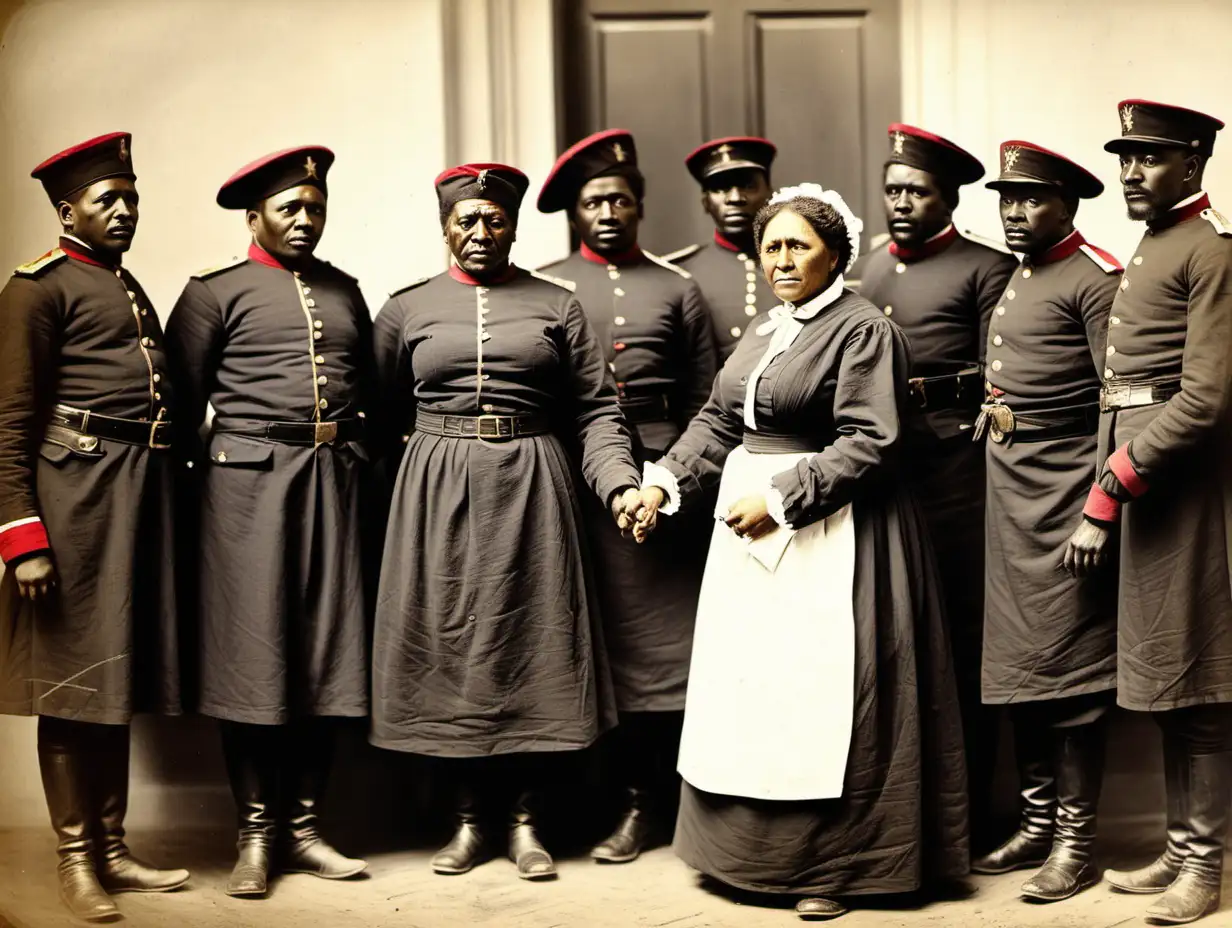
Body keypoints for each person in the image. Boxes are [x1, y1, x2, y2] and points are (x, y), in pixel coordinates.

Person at [636, 183, 968, 921]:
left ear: (837, 255)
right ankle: (744, 857)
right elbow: (720, 421)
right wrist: (661, 486)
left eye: (799, 245)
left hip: (835, 529)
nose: (782, 259)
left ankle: (837, 866)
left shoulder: (862, 330)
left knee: (825, 693)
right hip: (747, 528)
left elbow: (870, 441)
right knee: (759, 687)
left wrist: (783, 498)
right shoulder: (764, 329)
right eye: (772, 246)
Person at [369, 163, 645, 882]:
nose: (481, 232)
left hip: (534, 485)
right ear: (444, 226)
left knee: (531, 644)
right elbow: (381, 414)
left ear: (515, 225)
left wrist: (618, 484)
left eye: (495, 219)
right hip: (437, 489)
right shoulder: (406, 309)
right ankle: (468, 823)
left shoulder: (558, 304)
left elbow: (595, 411)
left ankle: (526, 823)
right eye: (467, 220)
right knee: (455, 648)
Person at [164, 146, 371, 898]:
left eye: (314, 208)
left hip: (333, 489)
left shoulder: (345, 292)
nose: (305, 220)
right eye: (290, 209)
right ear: (255, 218)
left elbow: (370, 400)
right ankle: (255, 832)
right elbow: (180, 412)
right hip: (245, 501)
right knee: (254, 662)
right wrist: (208, 509)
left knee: (324, 653)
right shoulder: (213, 293)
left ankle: (305, 829)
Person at [0, 133, 189, 922]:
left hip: (133, 501)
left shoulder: (123, 281)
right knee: (71, 687)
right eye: (107, 198)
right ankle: (76, 859)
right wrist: (22, 535)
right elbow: (8, 422)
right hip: (72, 505)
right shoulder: (35, 289)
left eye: (131, 196)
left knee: (113, 676)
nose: (124, 210)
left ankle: (112, 847)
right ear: (65, 208)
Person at [1064, 99, 1232, 926]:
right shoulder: (1159, 238)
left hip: (1182, 488)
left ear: (1194, 165)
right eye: (1125, 157)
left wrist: (1111, 486)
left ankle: (1205, 863)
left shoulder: (1209, 248)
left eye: (1151, 158)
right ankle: (1178, 843)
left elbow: (1202, 399)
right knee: (1167, 670)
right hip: (1148, 485)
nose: (1131, 172)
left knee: (1197, 679)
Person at [537, 129, 717, 863]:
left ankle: (651, 806)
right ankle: (584, 802)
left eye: (619, 198)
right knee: (588, 645)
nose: (607, 211)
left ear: (640, 206)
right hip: (577, 489)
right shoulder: (544, 285)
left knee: (660, 653)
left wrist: (670, 478)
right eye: (592, 201)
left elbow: (710, 401)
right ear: (573, 214)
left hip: (664, 487)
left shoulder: (678, 289)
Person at [850, 124, 1017, 848]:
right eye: (892, 190)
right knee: (889, 637)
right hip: (882, 474)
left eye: (916, 191)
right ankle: (898, 813)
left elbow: (1001, 378)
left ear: (946, 197)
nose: (901, 203)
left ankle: (971, 814)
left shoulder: (985, 268)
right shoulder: (864, 268)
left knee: (959, 636)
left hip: (953, 472)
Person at [971, 141, 1122, 902]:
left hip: (1066, 498)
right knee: (1022, 667)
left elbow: (1118, 403)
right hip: (1012, 499)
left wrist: (1100, 506)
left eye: (1031, 200)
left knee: (1073, 677)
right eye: (1006, 200)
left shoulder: (1096, 277)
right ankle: (1035, 824)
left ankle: (1075, 842)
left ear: (1068, 202)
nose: (1015, 213)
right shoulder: (1020, 273)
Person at [662, 137, 779, 359]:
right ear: (705, 201)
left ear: (770, 194)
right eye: (721, 188)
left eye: (747, 185)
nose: (735, 198)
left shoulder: (800, 264)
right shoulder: (681, 274)